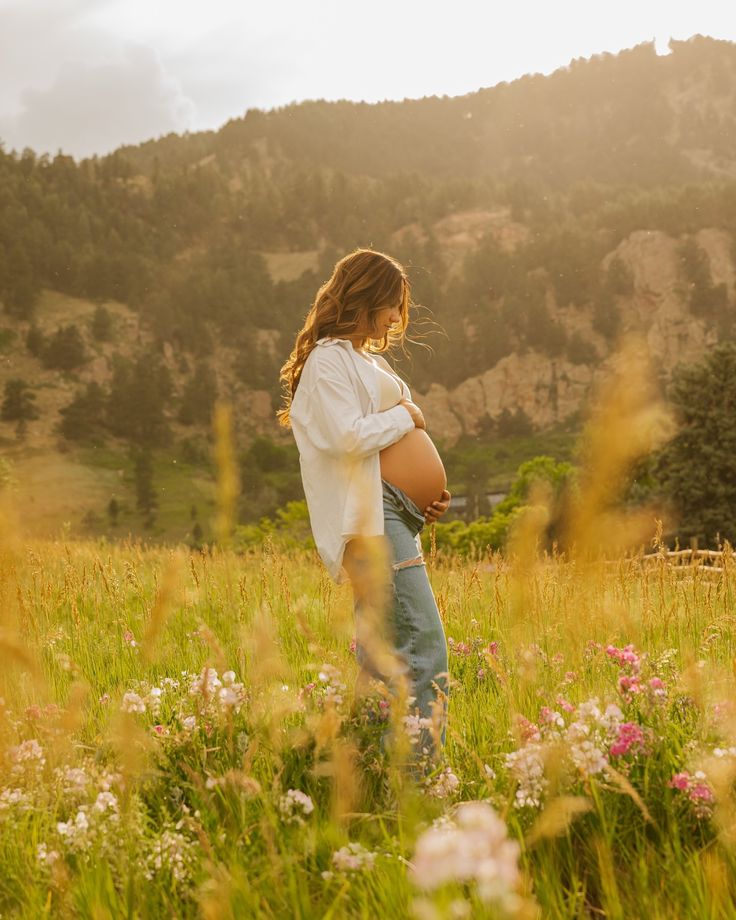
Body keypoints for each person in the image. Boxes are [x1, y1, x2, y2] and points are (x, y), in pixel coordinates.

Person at [278, 248, 451, 757]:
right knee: (424, 648)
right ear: (366, 298)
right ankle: (417, 781)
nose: (398, 318)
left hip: (394, 514)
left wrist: (422, 501)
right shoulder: (327, 359)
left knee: (381, 659)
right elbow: (345, 438)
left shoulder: (361, 359)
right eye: (392, 305)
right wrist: (409, 417)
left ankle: (363, 771)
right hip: (372, 521)